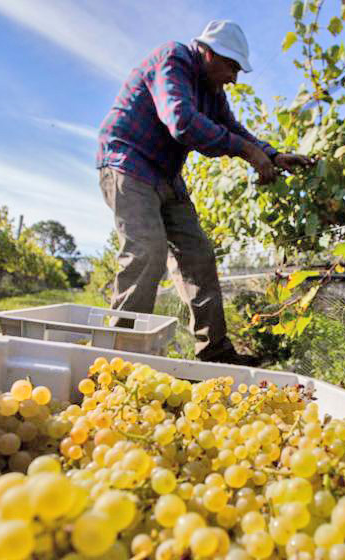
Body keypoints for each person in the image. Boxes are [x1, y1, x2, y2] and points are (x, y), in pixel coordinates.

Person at [96, 20, 314, 366]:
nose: (234, 78)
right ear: (209, 53)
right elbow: (180, 120)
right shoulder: (173, 58)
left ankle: (215, 355)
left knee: (198, 254)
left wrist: (272, 155)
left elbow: (234, 129)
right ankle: (118, 360)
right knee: (147, 252)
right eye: (232, 67)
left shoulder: (213, 93)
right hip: (129, 162)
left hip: (167, 174)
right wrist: (247, 152)